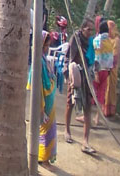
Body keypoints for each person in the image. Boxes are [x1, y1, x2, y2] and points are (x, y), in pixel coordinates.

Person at [64, 18, 96, 154]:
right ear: (82, 29)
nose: (90, 32)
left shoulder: (91, 42)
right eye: (88, 29)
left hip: (87, 76)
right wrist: (69, 75)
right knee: (70, 103)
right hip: (76, 74)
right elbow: (69, 58)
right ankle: (67, 130)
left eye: (92, 30)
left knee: (88, 106)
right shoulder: (75, 39)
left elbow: (93, 59)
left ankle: (85, 141)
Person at [27, 30, 58, 165]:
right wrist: (41, 107)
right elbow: (37, 86)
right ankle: (43, 158)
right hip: (43, 101)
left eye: (48, 46)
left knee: (50, 130)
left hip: (50, 99)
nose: (47, 48)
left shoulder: (44, 59)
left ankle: (45, 158)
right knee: (45, 131)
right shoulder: (38, 62)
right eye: (45, 46)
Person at [92, 19, 114, 126]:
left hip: (97, 69)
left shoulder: (97, 39)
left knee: (91, 92)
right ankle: (97, 118)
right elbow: (111, 58)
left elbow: (97, 56)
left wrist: (96, 71)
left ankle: (86, 115)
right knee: (101, 94)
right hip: (106, 70)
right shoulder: (110, 42)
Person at [103, 20, 120, 117]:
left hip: (112, 67)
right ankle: (104, 109)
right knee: (105, 87)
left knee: (110, 88)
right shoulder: (106, 38)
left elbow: (115, 55)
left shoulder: (116, 40)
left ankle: (110, 111)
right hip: (104, 66)